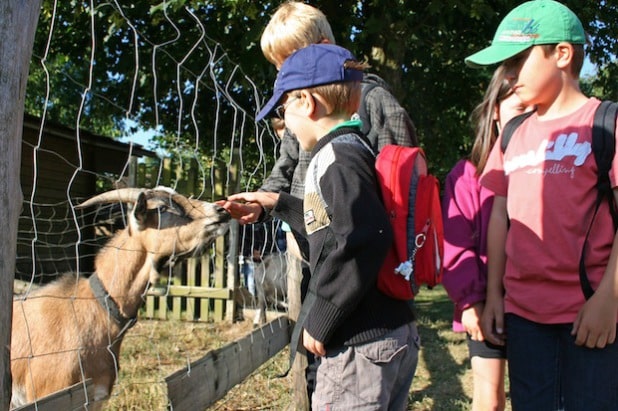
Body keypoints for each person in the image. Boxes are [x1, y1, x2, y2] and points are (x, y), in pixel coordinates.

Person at [227, 43, 418, 410]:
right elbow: (333, 224)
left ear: (307, 103)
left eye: (284, 110)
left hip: (360, 344)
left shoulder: (336, 157)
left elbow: (362, 237)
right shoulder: (351, 149)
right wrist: (278, 203)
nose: (285, 126)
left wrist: (323, 316)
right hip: (386, 335)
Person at [466, 1, 618, 409]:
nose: (507, 75)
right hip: (524, 317)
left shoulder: (605, 124)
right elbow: (501, 215)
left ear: (562, 55)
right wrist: (495, 293)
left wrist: (609, 298)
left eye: (517, 59)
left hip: (589, 314)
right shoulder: (513, 131)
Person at [441, 65, 528, 411]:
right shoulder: (465, 175)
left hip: (537, 305)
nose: (527, 118)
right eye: (519, 109)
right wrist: (470, 302)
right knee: (489, 401)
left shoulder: (549, 171)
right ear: (495, 112)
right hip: (483, 304)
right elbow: (455, 244)